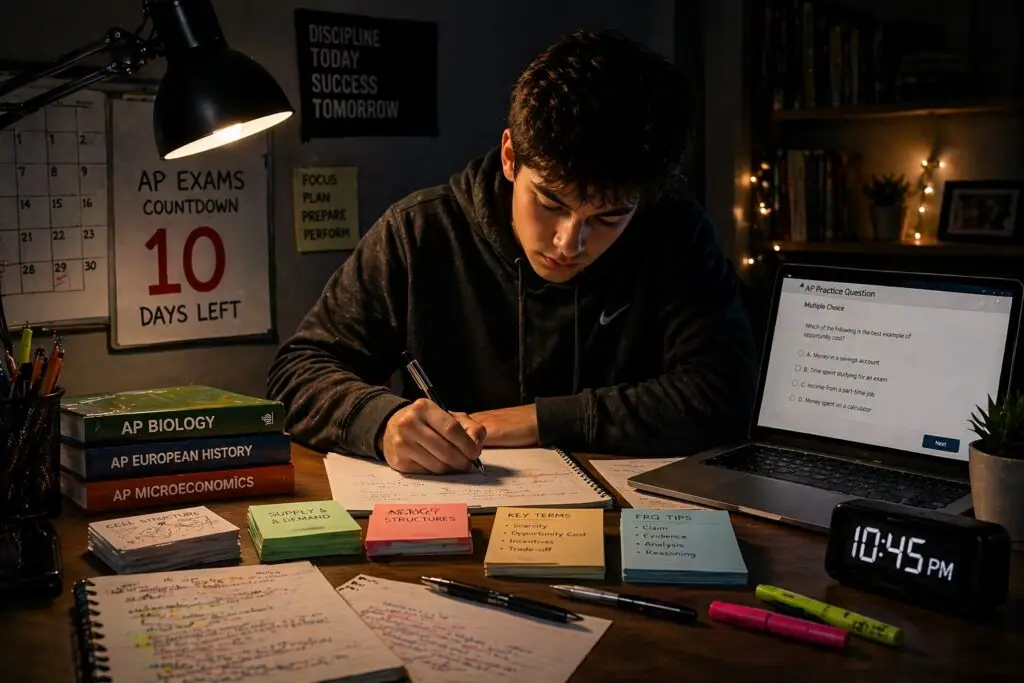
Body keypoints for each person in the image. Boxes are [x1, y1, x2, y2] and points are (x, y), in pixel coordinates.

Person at [267, 28, 759, 474]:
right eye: (550, 202)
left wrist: (534, 421)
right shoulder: (420, 232)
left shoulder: (673, 233)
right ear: (509, 156)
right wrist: (381, 421)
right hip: (452, 524)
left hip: (632, 533)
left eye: (608, 218)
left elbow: (724, 393)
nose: (570, 243)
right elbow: (297, 374)